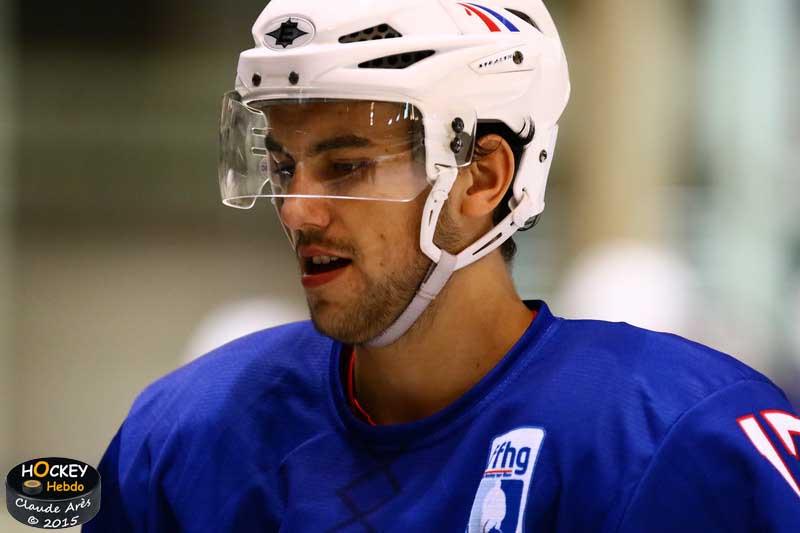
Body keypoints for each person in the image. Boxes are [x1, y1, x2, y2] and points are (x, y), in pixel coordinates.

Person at [84, 0, 800, 531]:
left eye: (347, 166)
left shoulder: (680, 437)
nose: (298, 209)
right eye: (284, 164)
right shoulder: (189, 434)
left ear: (482, 178)